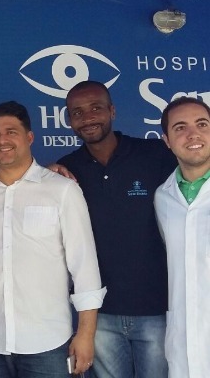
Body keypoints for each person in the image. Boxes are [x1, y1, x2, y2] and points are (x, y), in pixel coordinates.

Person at [0, 101, 105, 378]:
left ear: (29, 137)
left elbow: (84, 266)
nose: (2, 140)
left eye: (11, 132)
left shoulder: (62, 190)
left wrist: (86, 335)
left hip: (46, 340)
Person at [56, 81, 175, 378]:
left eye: (96, 108)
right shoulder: (66, 170)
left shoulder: (155, 154)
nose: (88, 117)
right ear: (69, 120)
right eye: (77, 112)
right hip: (99, 315)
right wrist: (47, 172)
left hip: (156, 309)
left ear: (112, 111)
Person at [154, 96, 210, 378]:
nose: (193, 134)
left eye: (202, 124)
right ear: (167, 140)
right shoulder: (163, 197)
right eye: (180, 127)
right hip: (184, 341)